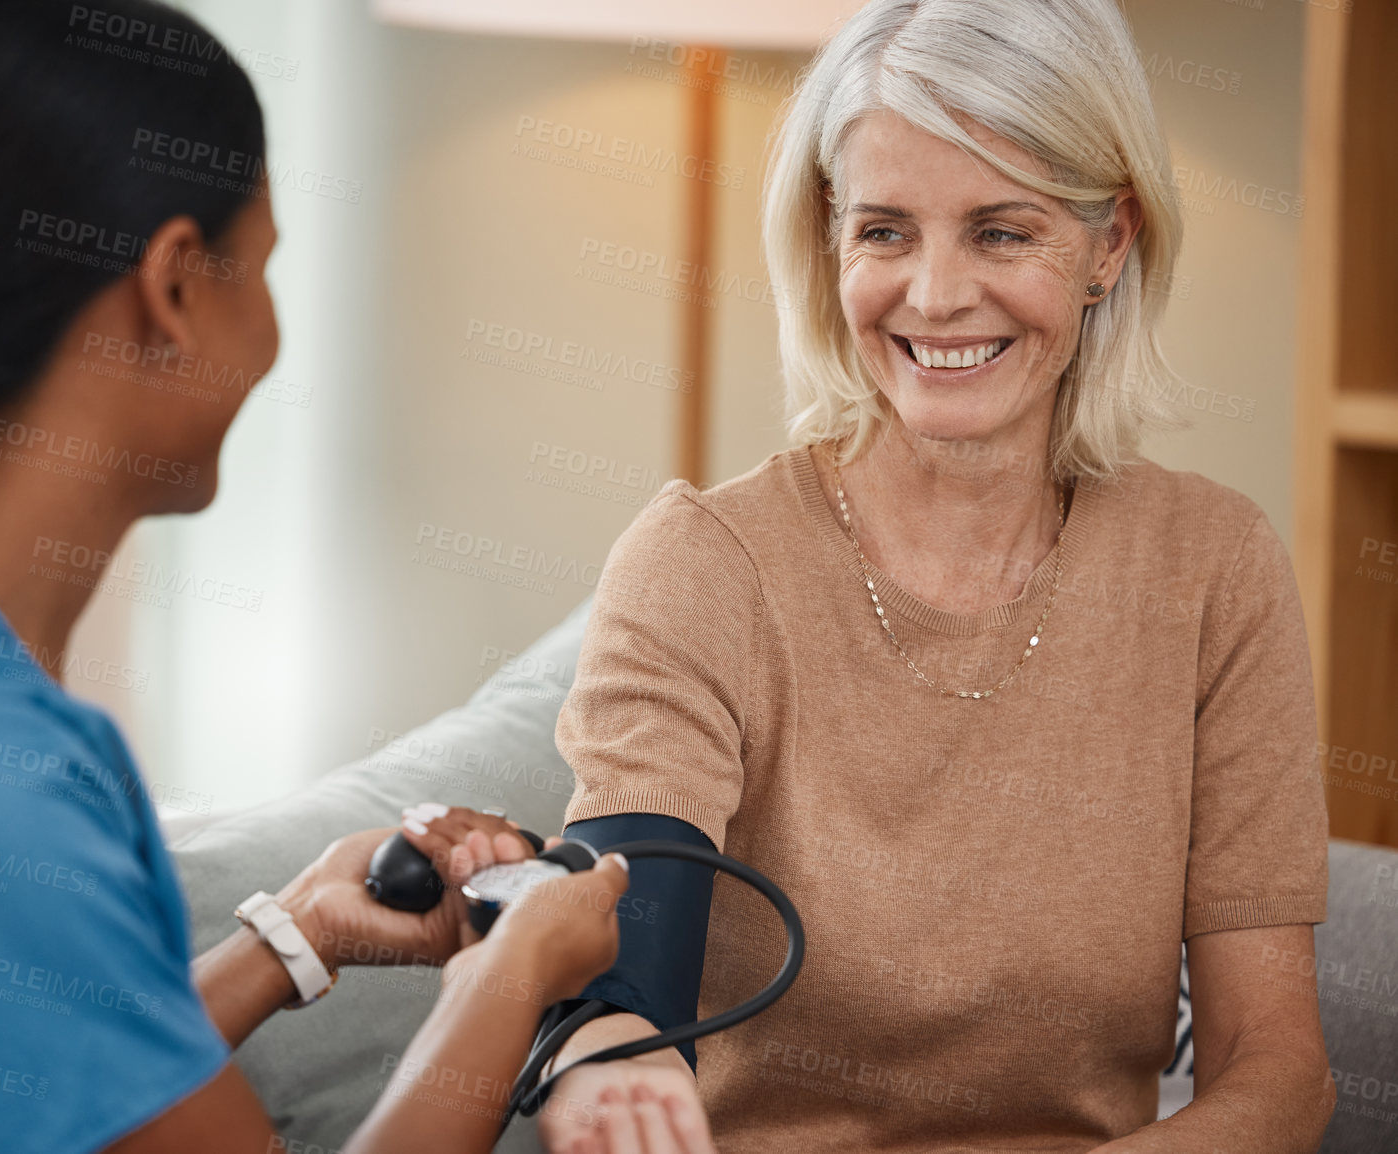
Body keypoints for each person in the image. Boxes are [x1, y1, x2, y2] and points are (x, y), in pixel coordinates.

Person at [0, 2, 635, 1152]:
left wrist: (298, 935)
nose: (272, 333)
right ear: (174, 286)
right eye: (261, 268)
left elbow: (55, 1075)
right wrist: (509, 977)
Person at [539, 0, 1335, 1151]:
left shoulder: (1214, 568)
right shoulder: (701, 566)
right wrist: (603, 1063)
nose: (937, 294)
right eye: (886, 231)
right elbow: (618, 999)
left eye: (1002, 233)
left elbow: (1279, 1072)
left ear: (1109, 243)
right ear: (831, 239)